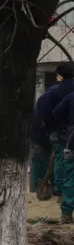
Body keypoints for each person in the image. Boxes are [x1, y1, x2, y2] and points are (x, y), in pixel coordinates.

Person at [42, 64, 74, 204]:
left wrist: (51, 129)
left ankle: (60, 193)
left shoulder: (53, 92)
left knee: (61, 162)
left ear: (60, 75)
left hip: (60, 133)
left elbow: (50, 113)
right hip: (70, 132)